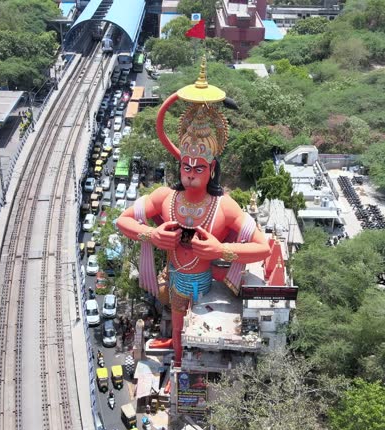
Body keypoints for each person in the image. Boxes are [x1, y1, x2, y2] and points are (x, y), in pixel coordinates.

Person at [116, 59, 271, 367]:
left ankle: (184, 356)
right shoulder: (164, 197)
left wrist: (221, 249)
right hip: (175, 278)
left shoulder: (224, 206)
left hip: (207, 282)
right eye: (185, 165)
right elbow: (123, 220)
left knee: (197, 326)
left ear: (211, 169)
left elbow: (262, 247)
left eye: (198, 167)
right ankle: (175, 356)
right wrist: (152, 234)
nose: (190, 172)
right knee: (176, 322)